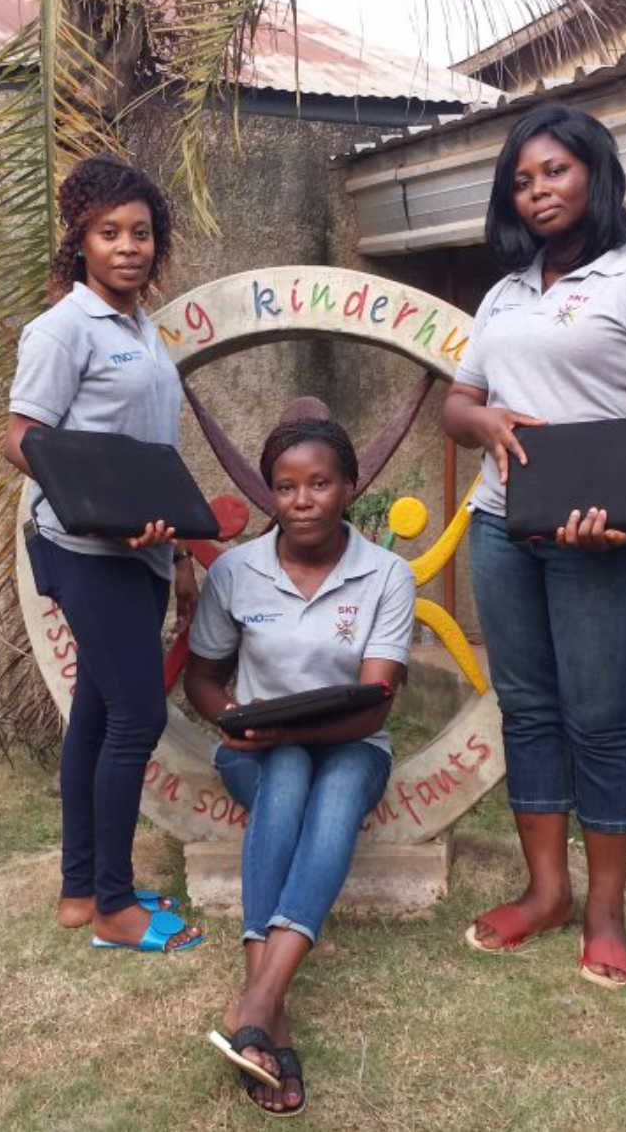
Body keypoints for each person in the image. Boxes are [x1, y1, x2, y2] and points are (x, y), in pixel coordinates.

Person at [442, 103, 626, 989]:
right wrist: (484, 416)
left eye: (553, 171)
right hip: (502, 528)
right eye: (521, 180)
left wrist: (621, 516)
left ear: (595, 171)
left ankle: (605, 913)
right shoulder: (505, 292)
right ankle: (546, 893)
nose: (537, 191)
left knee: (600, 720)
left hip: (602, 538)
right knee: (531, 711)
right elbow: (456, 407)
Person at [185, 416, 415, 1113]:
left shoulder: (387, 574)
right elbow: (201, 678)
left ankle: (257, 1005)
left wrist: (288, 725)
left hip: (354, 745)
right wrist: (233, 718)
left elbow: (376, 703)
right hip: (257, 753)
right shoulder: (234, 572)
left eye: (320, 483)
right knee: (286, 774)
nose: (303, 499)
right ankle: (265, 1019)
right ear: (269, 496)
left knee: (338, 785)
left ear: (350, 487)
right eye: (285, 487)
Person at [3, 153, 202, 954]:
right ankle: (119, 910)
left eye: (142, 233)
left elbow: (154, 452)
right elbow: (23, 439)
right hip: (90, 551)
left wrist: (178, 550)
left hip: (145, 552)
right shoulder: (60, 330)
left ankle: (80, 889)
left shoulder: (144, 331)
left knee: (95, 711)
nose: (129, 247)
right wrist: (102, 514)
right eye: (109, 232)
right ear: (79, 241)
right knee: (138, 715)